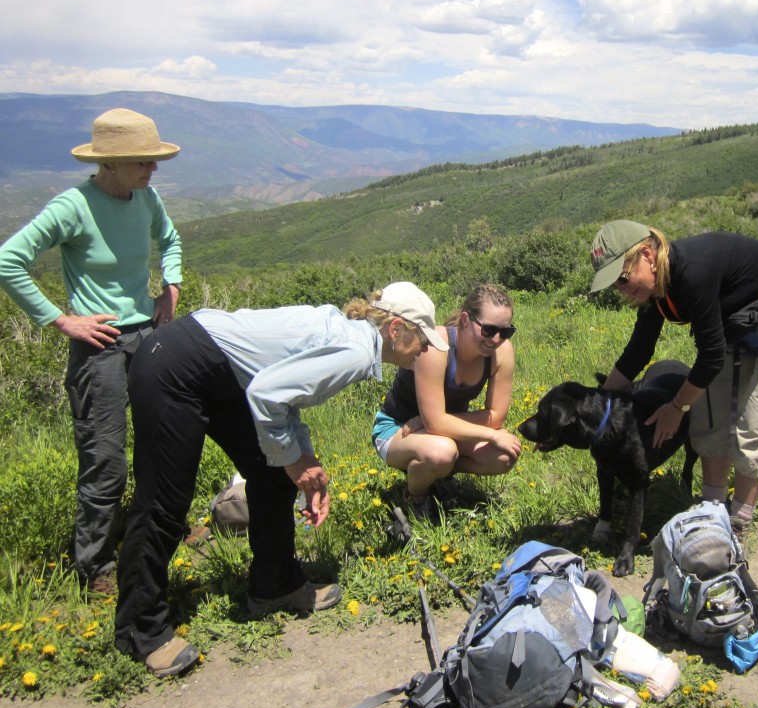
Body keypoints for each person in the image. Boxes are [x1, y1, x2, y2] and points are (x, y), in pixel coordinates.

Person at [114, 282, 448, 678]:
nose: (425, 349)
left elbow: (283, 395)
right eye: (421, 338)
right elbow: (267, 396)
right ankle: (140, 631)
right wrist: (295, 462)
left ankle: (274, 585)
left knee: (272, 473)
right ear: (395, 330)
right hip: (175, 366)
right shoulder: (357, 353)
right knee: (164, 503)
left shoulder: (353, 337)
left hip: (217, 370)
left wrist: (301, 459)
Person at [0, 108, 182, 593]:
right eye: (143, 160)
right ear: (111, 164)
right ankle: (95, 566)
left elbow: (169, 238)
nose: (153, 169)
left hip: (147, 336)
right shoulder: (73, 206)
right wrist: (61, 320)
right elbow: (8, 260)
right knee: (105, 461)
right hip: (99, 346)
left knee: (156, 450)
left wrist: (171, 282)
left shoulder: (146, 197)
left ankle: (147, 541)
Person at [589, 221, 758, 545]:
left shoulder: (692, 272)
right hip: (741, 328)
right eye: (614, 285)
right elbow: (638, 352)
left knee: (755, 428)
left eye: (622, 278)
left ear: (646, 254)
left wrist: (676, 407)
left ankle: (738, 525)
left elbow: (711, 357)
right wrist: (596, 406)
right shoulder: (656, 289)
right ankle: (713, 512)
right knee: (708, 421)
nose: (621, 290)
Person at [372, 284, 522, 519]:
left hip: (439, 431)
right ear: (465, 319)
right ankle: (416, 495)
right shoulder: (434, 345)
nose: (496, 339)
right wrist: (490, 434)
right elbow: (438, 424)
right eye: (489, 329)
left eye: (505, 332)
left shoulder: (502, 354)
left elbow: (495, 416)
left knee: (503, 456)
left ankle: (438, 474)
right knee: (442, 452)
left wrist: (434, 420)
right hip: (398, 428)